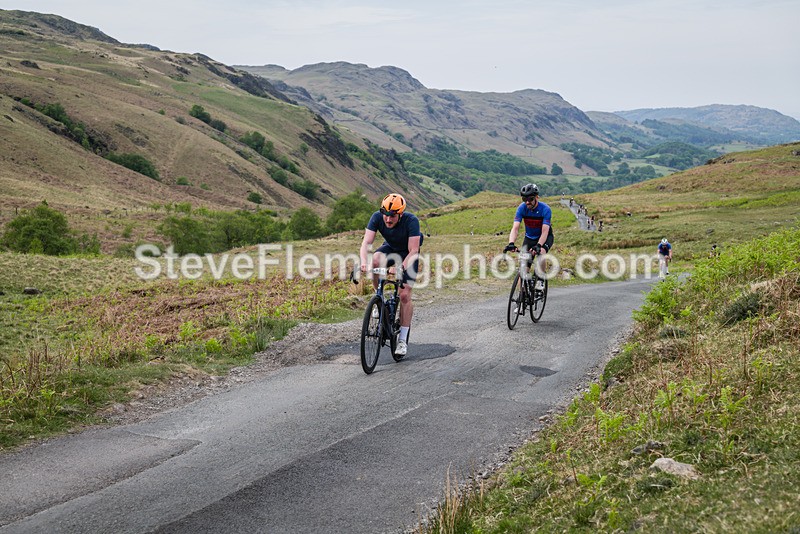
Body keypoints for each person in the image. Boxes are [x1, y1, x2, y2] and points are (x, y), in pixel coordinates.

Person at [359, 193, 422, 356]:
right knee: (375, 261)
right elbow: (366, 242)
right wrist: (363, 262)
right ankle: (378, 297)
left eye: (392, 216)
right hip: (390, 247)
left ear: (400, 214)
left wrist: (400, 267)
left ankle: (402, 340)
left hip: (408, 253)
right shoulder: (376, 217)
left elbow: (413, 250)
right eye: (385, 215)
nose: (387, 220)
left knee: (404, 295)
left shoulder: (411, 221)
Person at [503, 183, 554, 286]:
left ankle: (540, 280)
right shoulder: (522, 208)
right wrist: (511, 243)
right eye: (524, 199)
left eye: (530, 199)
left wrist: (539, 246)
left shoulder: (545, 209)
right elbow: (515, 228)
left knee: (541, 254)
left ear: (536, 197)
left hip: (544, 237)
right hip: (529, 238)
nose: (527, 202)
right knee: (523, 270)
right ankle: (521, 296)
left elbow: (545, 231)